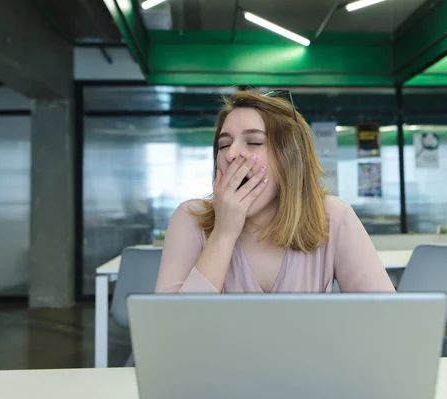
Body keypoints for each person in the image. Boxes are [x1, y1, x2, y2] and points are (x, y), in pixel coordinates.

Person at [155, 90, 395, 294]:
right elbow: (169, 336)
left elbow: (389, 321)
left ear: (290, 160)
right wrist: (223, 234)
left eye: (254, 142)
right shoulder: (190, 218)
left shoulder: (334, 216)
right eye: (224, 145)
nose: (230, 154)